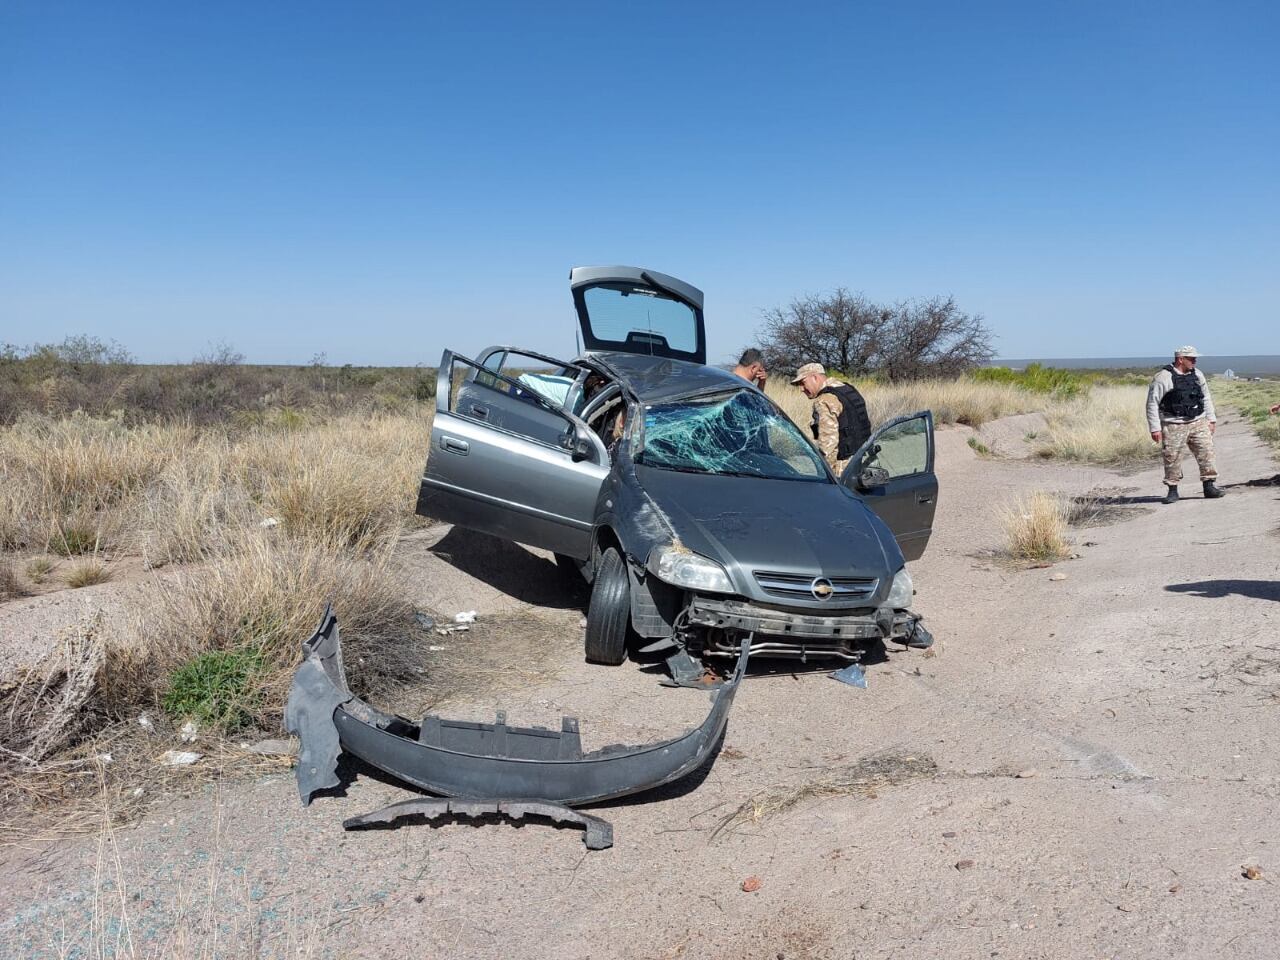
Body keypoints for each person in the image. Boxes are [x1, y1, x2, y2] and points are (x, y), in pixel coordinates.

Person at [1145, 346, 1223, 504]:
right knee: (1172, 458)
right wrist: (1155, 428)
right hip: (1174, 425)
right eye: (1191, 358)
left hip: (1198, 421)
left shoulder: (1197, 374)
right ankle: (1172, 490)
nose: (1195, 361)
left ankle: (1209, 486)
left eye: (1195, 358)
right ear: (1181, 359)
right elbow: (1152, 404)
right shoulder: (1163, 377)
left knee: (1207, 453)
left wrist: (1211, 419)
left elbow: (1205, 397)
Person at [791, 362, 872, 474]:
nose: (801, 389)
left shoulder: (824, 400)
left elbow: (828, 447)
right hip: (868, 459)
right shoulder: (848, 389)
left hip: (846, 468)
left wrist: (828, 475)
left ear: (815, 377)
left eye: (803, 383)